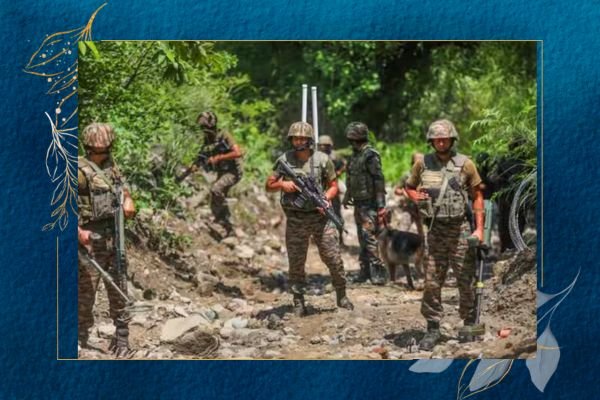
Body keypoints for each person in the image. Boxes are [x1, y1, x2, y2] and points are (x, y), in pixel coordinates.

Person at [404, 119, 484, 351]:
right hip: (435, 230)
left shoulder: (466, 164)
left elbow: (478, 196)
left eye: (444, 139)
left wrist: (479, 229)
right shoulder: (422, 164)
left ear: (452, 139)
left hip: (460, 230)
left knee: (465, 280)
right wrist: (415, 197)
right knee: (431, 281)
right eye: (436, 139)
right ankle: (432, 328)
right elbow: (409, 186)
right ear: (431, 141)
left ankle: (469, 324)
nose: (441, 143)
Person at [266, 121, 354, 316]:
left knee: (333, 257)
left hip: (320, 218)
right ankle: (298, 301)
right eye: (295, 138)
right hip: (296, 219)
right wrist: (282, 185)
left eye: (302, 139)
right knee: (296, 262)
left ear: (309, 140)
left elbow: (333, 185)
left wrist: (326, 199)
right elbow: (269, 185)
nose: (298, 142)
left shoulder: (322, 159)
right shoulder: (284, 160)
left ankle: (341, 294)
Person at [77, 122, 136, 357]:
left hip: (114, 236)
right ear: (88, 147)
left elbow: (123, 190)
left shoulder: (113, 167)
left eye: (105, 149)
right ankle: (79, 338)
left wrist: (129, 200)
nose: (102, 153)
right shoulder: (77, 171)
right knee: (85, 292)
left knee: (119, 287)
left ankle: (122, 338)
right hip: (89, 238)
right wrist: (78, 232)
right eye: (98, 149)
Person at [342, 122, 387, 285]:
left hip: (370, 204)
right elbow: (351, 177)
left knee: (369, 237)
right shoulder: (355, 156)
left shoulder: (370, 155)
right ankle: (365, 271)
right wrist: (347, 195)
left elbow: (379, 180)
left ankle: (378, 274)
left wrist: (381, 206)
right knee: (362, 239)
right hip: (359, 203)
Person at [196, 111, 243, 237]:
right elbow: (201, 156)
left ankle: (226, 221)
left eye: (205, 127)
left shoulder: (224, 135)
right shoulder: (207, 139)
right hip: (222, 171)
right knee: (215, 199)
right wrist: (195, 165)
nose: (204, 130)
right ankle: (226, 228)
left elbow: (238, 152)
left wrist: (219, 158)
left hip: (233, 171)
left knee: (216, 190)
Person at [317, 135, 346, 244]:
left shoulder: (335, 156)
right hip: (320, 187)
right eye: (321, 145)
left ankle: (340, 237)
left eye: (325, 145)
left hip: (332, 187)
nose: (323, 147)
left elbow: (345, 165)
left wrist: (338, 173)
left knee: (336, 213)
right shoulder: (316, 156)